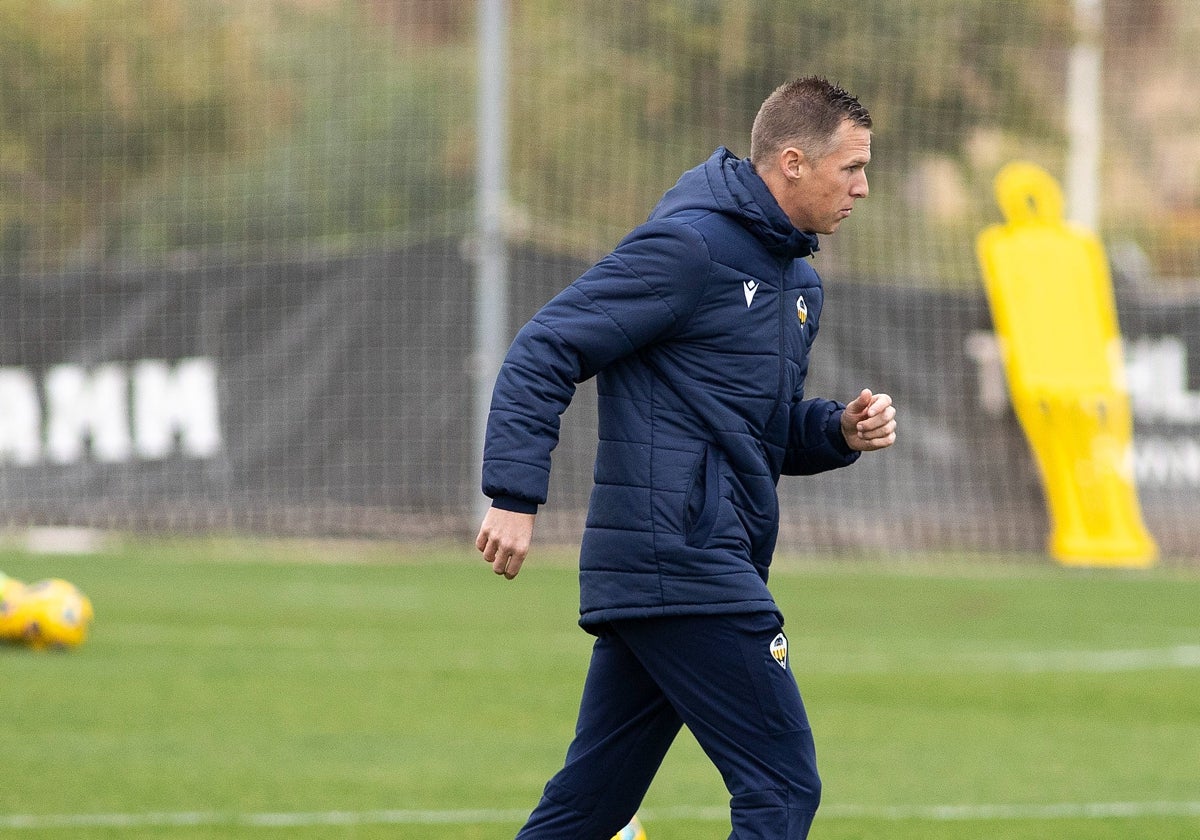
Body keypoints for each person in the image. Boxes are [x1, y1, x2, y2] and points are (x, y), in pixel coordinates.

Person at [475, 76, 897, 840]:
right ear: (794, 162)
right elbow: (548, 346)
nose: (864, 188)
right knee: (782, 786)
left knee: (589, 807)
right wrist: (513, 494)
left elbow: (757, 433)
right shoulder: (689, 247)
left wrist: (837, 430)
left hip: (679, 566)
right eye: (853, 168)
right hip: (686, 560)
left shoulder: (798, 280)